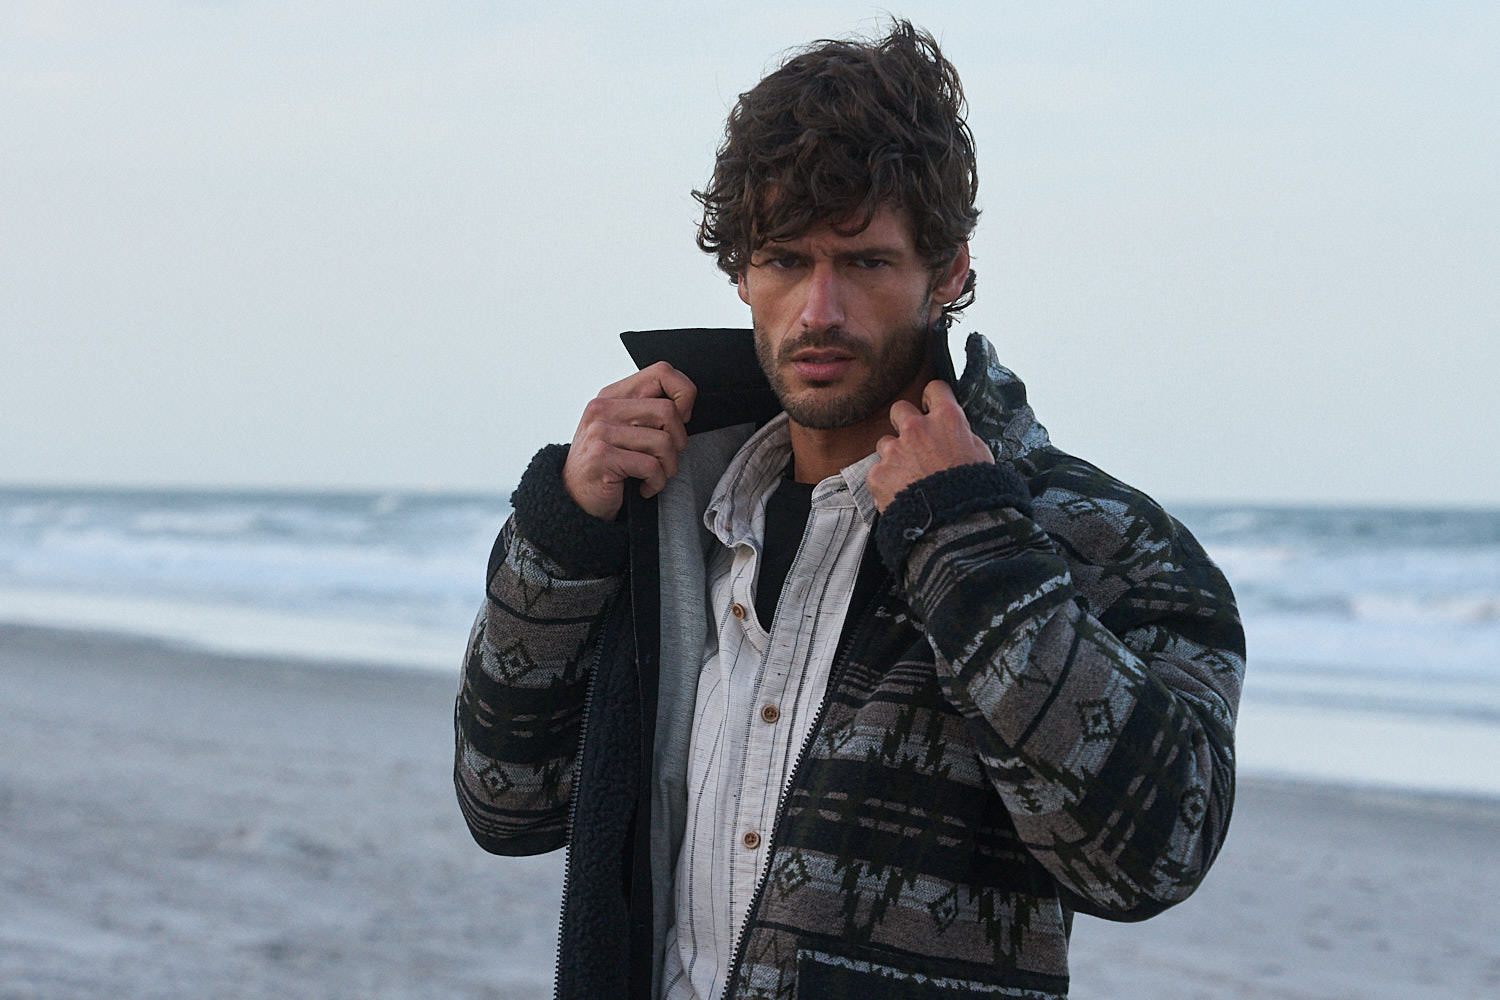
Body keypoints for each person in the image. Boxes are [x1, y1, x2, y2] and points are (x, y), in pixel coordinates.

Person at [455, 20, 1244, 1000]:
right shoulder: (668, 512)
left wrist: (969, 543)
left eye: (865, 262)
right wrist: (566, 534)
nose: (819, 310)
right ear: (741, 272)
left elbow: (1153, 858)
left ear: (947, 270)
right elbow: (506, 802)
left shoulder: (1100, 538)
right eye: (786, 260)